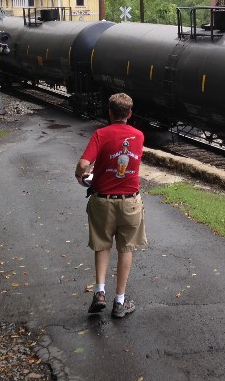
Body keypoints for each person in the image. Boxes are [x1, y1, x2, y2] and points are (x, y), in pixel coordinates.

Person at [75, 93, 147, 318]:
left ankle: (99, 292)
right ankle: (120, 302)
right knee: (126, 248)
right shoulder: (139, 135)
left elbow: (83, 164)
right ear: (130, 113)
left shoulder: (101, 134)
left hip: (102, 201)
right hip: (130, 202)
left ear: (110, 113)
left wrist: (81, 175)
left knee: (102, 245)